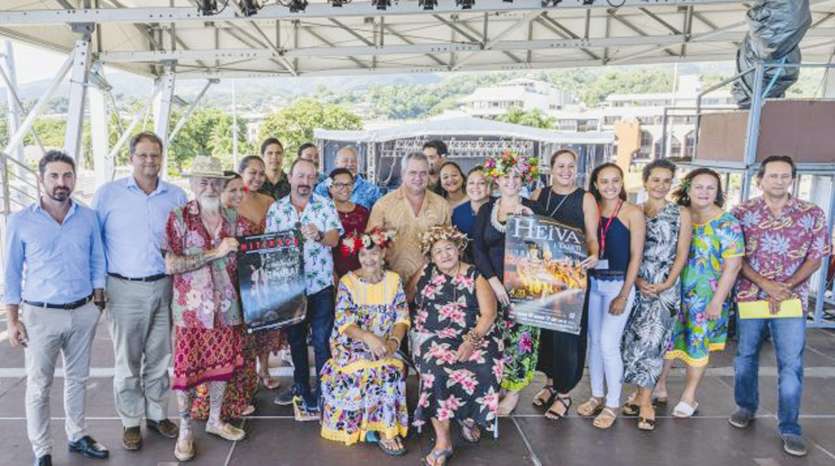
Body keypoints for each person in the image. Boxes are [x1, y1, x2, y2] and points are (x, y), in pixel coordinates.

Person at [4, 151, 109, 466]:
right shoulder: (20, 221)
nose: (61, 183)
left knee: (77, 378)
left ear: (75, 179)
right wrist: (12, 320)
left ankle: (77, 435)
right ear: (41, 179)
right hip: (40, 315)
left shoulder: (88, 217)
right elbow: (10, 274)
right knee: (39, 386)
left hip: (82, 311)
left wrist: (97, 304)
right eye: (54, 176)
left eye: (67, 176)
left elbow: (97, 260)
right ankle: (42, 451)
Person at [730, 155, 831, 457]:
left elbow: (816, 256)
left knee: (791, 363)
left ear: (793, 179)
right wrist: (765, 284)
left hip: (791, 300)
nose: (779, 180)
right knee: (746, 355)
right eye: (772, 175)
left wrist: (785, 287)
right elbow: (736, 257)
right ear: (760, 179)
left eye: (784, 176)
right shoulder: (742, 213)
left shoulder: (811, 213)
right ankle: (746, 406)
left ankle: (789, 426)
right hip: (751, 296)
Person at [92, 131, 186, 451]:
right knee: (127, 361)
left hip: (163, 286)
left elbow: (184, 243)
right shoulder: (108, 195)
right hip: (123, 288)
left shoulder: (176, 196)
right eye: (143, 155)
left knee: (160, 357)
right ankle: (131, 421)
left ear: (162, 158)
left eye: (155, 155)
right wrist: (98, 287)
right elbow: (95, 245)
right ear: (131, 157)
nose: (149, 161)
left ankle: (157, 413)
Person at [164, 156, 247, 462]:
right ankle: (185, 429)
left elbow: (249, 256)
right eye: (203, 181)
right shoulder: (179, 217)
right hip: (191, 311)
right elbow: (171, 264)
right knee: (186, 373)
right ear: (192, 183)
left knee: (221, 369)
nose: (210, 187)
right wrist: (216, 252)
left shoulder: (233, 218)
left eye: (215, 181)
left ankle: (214, 419)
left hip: (226, 307)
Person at [409, 225, 503, 466]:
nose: (444, 255)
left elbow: (489, 314)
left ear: (459, 249)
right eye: (438, 251)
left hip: (473, 333)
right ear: (430, 256)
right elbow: (405, 298)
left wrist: (471, 341)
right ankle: (443, 441)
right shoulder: (425, 272)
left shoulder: (475, 275)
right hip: (432, 335)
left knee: (483, 366)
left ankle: (468, 417)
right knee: (435, 372)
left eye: (449, 248)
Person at [660, 168, 743, 419]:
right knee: (666, 340)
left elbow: (734, 265)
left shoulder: (727, 223)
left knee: (697, 344)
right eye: (699, 186)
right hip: (673, 289)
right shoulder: (677, 215)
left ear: (718, 192)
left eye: (710, 188)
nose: (704, 192)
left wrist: (718, 300)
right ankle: (659, 385)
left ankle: (689, 396)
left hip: (706, 296)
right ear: (688, 189)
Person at [319, 228, 410, 454]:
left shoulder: (394, 280)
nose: (369, 259)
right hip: (351, 343)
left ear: (383, 254)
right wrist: (369, 338)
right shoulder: (348, 282)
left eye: (374, 253)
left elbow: (401, 318)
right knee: (366, 371)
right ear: (357, 256)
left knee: (390, 369)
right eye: (363, 255)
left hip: (385, 342)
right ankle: (376, 428)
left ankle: (384, 427)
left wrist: (393, 343)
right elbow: (344, 323)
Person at [267, 158, 343, 419]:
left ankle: (324, 391)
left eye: (310, 177)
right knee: (296, 341)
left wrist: (319, 235)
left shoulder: (325, 205)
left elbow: (334, 239)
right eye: (300, 176)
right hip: (291, 289)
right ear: (290, 178)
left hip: (320, 286)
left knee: (322, 342)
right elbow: (268, 249)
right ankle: (301, 388)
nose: (305, 182)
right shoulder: (276, 210)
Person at [620, 159, 692, 432]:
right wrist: (636, 280)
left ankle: (647, 401)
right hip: (636, 284)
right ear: (646, 181)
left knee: (654, 343)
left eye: (666, 180)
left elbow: (682, 253)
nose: (661, 185)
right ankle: (639, 394)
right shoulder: (635, 211)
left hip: (665, 289)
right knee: (634, 342)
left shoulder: (680, 214)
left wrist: (666, 284)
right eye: (656, 180)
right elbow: (627, 252)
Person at [573, 163, 644, 429]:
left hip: (618, 285)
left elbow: (636, 256)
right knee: (594, 341)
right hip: (594, 284)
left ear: (622, 182)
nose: (610, 186)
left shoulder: (632, 212)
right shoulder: (591, 208)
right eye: (604, 181)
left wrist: (625, 294)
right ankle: (597, 395)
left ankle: (613, 403)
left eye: (615, 180)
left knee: (608, 343)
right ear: (595, 184)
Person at [530, 149, 599, 421]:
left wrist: (594, 254)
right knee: (546, 335)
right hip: (544, 278)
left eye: (571, 166)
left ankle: (565, 393)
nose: (566, 171)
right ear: (551, 169)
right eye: (561, 166)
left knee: (568, 338)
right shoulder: (540, 195)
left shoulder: (586, 198)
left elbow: (592, 237)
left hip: (573, 278)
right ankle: (550, 384)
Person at [473, 150, 540, 416]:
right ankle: (497, 383)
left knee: (521, 339)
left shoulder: (534, 208)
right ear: (496, 180)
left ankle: (513, 393)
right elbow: (478, 249)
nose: (510, 181)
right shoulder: (487, 209)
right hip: (492, 286)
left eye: (515, 176)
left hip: (525, 287)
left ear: (523, 178)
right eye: (505, 176)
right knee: (494, 337)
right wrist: (494, 282)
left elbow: (545, 248)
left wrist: (531, 222)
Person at [191, 172, 259, 421]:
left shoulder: (245, 224)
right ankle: (210, 407)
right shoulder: (203, 224)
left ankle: (238, 400)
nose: (239, 195)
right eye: (232, 190)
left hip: (242, 297)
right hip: (211, 299)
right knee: (215, 353)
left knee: (240, 349)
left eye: (241, 189)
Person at [367, 151, 451, 285]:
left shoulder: (442, 205)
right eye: (412, 172)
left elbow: (449, 246)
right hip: (391, 283)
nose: (418, 178)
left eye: (423, 173)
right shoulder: (383, 205)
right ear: (402, 173)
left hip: (432, 284)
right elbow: (370, 245)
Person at [237, 155, 284, 390]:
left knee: (265, 325)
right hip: (238, 273)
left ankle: (264, 370)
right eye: (252, 172)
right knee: (244, 329)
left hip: (265, 273)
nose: (257, 177)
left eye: (260, 173)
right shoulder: (232, 200)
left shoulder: (269, 201)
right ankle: (245, 379)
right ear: (241, 173)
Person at [328, 167, 370, 278]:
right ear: (331, 188)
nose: (344, 188)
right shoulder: (324, 212)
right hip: (332, 273)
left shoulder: (363, 212)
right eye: (339, 185)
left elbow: (370, 242)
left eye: (348, 184)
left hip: (360, 272)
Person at [315, 146, 382, 210]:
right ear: (336, 163)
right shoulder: (323, 188)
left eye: (353, 161)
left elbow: (381, 214)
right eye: (345, 161)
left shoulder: (372, 190)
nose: (350, 164)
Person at [452, 166, 492, 262]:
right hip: (468, 267)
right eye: (471, 183)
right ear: (466, 186)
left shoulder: (499, 206)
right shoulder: (458, 212)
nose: (475, 187)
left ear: (489, 186)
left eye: (481, 183)